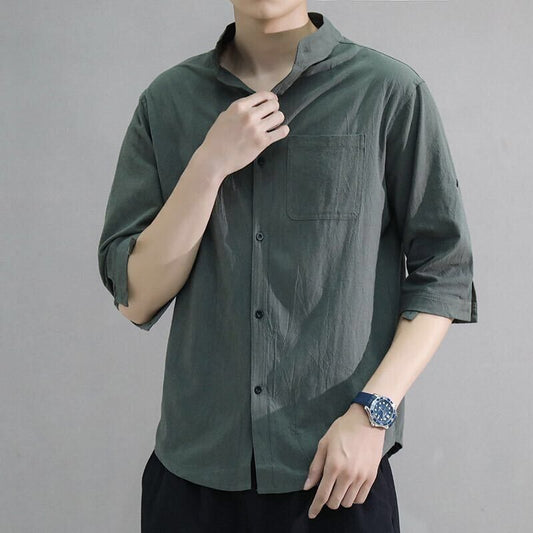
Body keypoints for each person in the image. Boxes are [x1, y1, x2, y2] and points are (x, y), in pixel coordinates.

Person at [97, 2, 478, 532]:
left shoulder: (387, 92)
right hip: (192, 478)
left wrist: (374, 413)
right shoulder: (167, 102)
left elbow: (445, 270)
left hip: (335, 477)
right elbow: (136, 297)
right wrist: (209, 164)